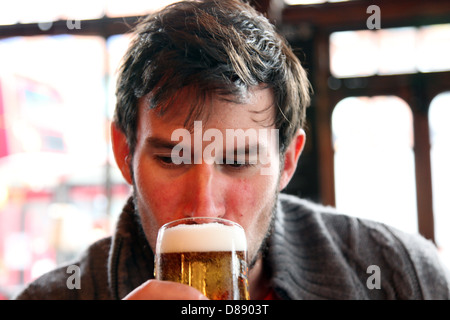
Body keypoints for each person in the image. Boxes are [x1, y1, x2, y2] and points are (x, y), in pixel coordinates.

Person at [15, 0, 450, 300]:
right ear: (123, 153)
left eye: (239, 161)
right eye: (171, 158)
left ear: (288, 161)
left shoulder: (398, 274)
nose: (203, 205)